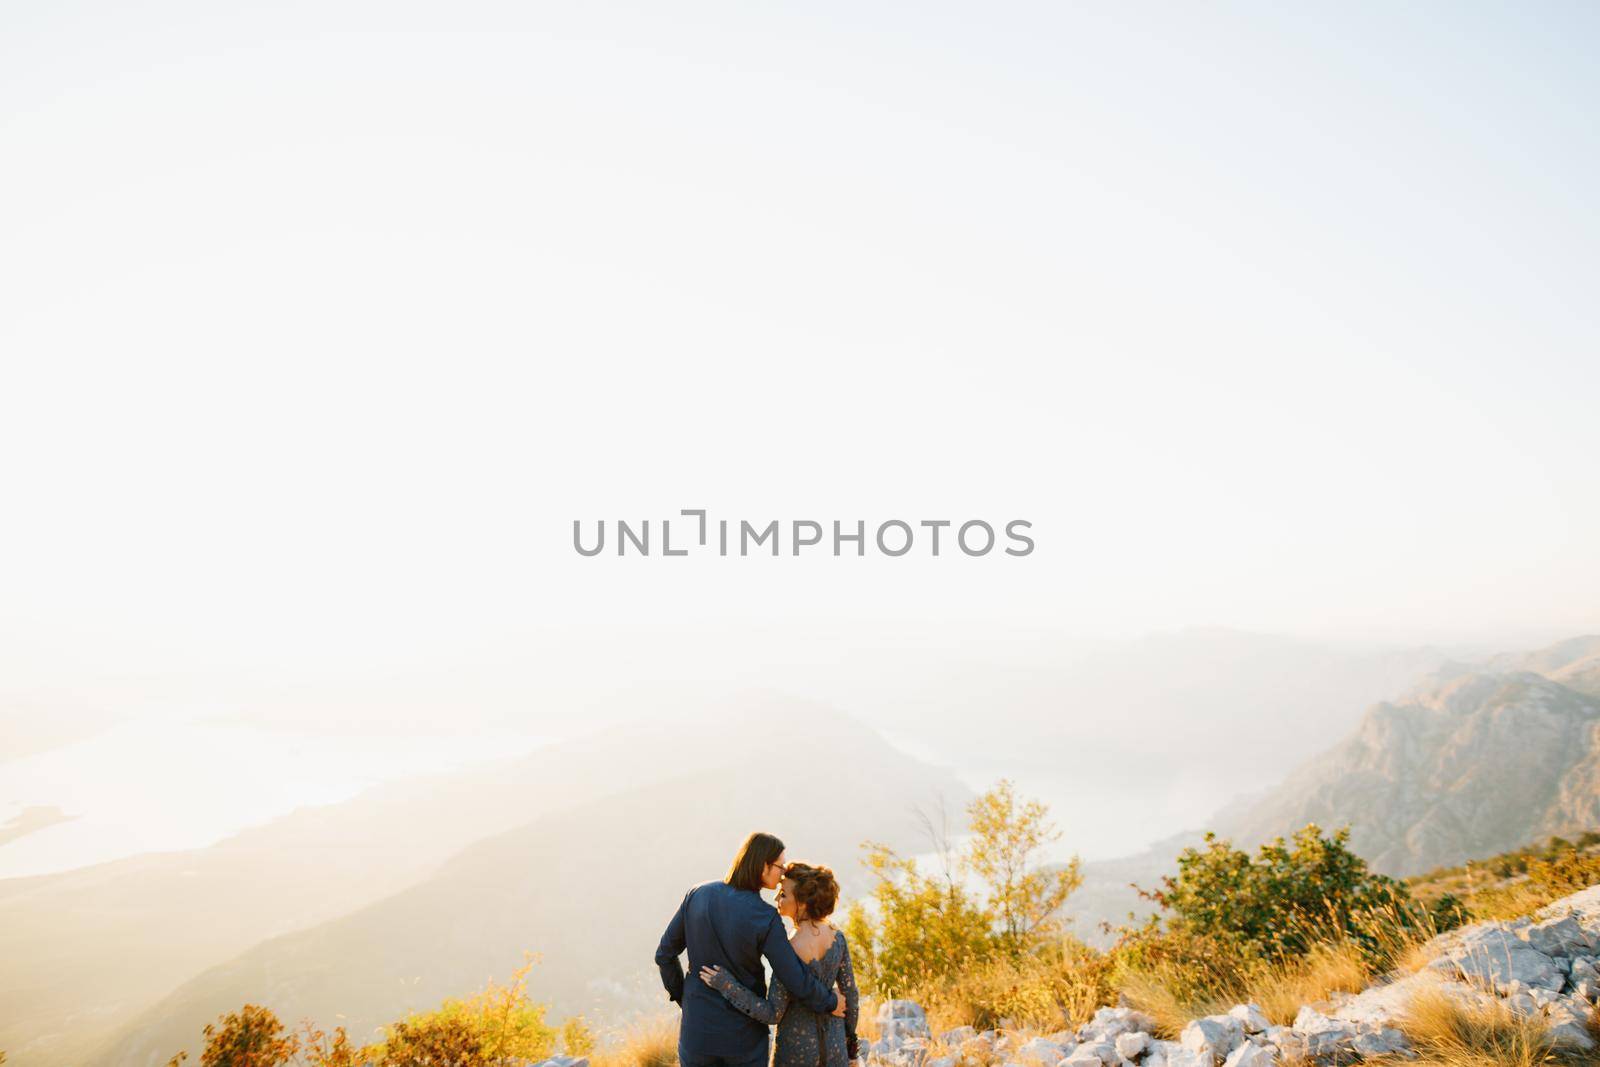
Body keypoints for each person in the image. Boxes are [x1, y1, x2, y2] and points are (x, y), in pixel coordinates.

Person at [657, 832, 848, 1067]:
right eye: (780, 866)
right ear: (764, 867)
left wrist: (686, 999)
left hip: (697, 1035)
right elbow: (795, 979)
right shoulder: (765, 917)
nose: (782, 874)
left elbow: (664, 955)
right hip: (743, 1040)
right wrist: (830, 1001)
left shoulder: (698, 894)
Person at [699, 862, 860, 1067]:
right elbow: (851, 997)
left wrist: (727, 985)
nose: (776, 898)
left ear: (802, 903)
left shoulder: (787, 949)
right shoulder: (838, 938)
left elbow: (772, 1013)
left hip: (796, 1054)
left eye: (783, 894)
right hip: (835, 1050)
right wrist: (851, 1047)